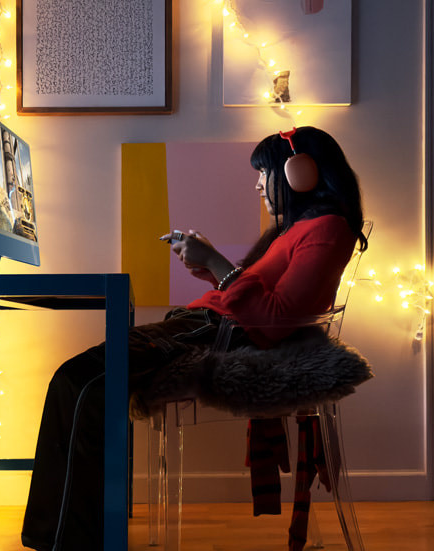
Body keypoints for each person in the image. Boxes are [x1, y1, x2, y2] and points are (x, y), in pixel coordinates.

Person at [21, 127, 368, 551]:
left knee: (84, 382)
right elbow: (252, 294)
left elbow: (276, 320)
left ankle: (68, 542)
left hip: (215, 335)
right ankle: (58, 539)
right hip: (208, 325)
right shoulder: (295, 229)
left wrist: (218, 265)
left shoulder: (328, 228)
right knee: (76, 382)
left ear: (300, 172)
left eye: (265, 173)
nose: (258, 183)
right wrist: (206, 264)